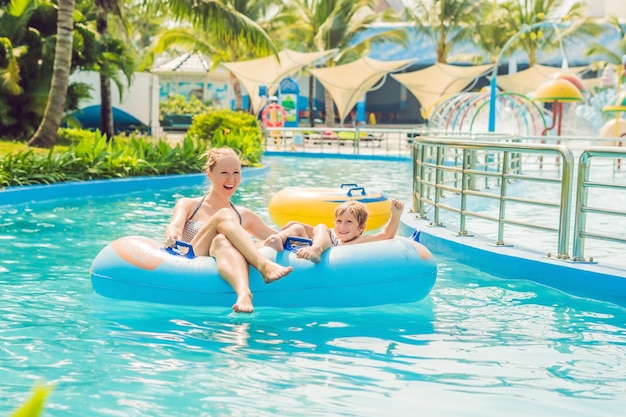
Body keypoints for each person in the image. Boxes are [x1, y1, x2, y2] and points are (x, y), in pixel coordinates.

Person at [164, 147, 293, 314]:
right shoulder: (189, 204)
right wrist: (172, 236)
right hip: (193, 256)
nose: (231, 179)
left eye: (236, 172)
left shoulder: (244, 215)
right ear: (209, 174)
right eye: (224, 172)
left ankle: (244, 293)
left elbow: (277, 236)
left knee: (221, 241)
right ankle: (263, 265)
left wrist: (319, 233)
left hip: (222, 253)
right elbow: (174, 225)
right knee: (224, 215)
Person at [263, 198, 405, 263]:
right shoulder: (332, 233)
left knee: (321, 227)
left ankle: (317, 250)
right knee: (295, 226)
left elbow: (387, 235)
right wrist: (290, 227)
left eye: (349, 222)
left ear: (361, 228)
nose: (341, 227)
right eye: (339, 221)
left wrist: (395, 215)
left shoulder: (360, 240)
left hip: (322, 250)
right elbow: (295, 225)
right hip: (311, 246)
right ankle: (279, 239)